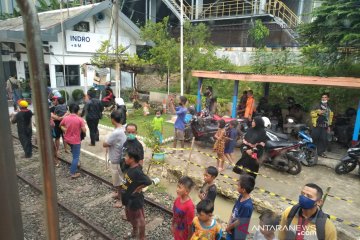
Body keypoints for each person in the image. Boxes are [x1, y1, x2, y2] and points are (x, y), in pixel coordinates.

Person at [120, 146, 152, 240]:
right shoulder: (128, 166)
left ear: (132, 159)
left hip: (135, 200)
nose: (124, 158)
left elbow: (148, 181)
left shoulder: (137, 171)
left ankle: (142, 237)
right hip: (127, 198)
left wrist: (138, 188)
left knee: (139, 219)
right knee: (130, 217)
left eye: (126, 156)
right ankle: (134, 232)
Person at [103, 110, 126, 208]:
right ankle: (118, 194)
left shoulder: (116, 132)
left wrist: (106, 140)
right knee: (120, 179)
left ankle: (121, 200)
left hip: (116, 160)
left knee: (118, 181)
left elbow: (105, 144)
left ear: (112, 119)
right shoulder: (124, 128)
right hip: (122, 158)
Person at [60, 103, 86, 179]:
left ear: (69, 110)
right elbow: (84, 130)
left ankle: (76, 164)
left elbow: (60, 125)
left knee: (73, 152)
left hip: (67, 140)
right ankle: (72, 173)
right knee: (76, 157)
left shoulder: (66, 118)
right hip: (76, 141)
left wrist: (65, 130)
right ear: (78, 111)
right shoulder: (80, 119)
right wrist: (83, 129)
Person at [226, 174, 255, 240]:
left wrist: (229, 228)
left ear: (243, 189)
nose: (237, 186)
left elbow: (239, 221)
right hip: (231, 229)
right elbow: (233, 211)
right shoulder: (241, 196)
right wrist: (229, 223)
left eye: (238, 185)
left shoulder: (247, 206)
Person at [310, 93, 334, 158]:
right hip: (317, 125)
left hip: (325, 126)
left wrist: (329, 126)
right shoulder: (317, 105)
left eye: (325, 97)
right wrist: (318, 113)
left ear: (328, 98)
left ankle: (320, 152)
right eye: (322, 97)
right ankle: (311, 152)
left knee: (323, 139)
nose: (324, 98)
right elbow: (311, 114)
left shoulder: (329, 107)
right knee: (314, 138)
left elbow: (330, 117)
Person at [172, 176, 195, 240]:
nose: (177, 189)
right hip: (177, 229)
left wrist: (189, 238)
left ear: (187, 192)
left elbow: (190, 225)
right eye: (177, 186)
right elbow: (174, 214)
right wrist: (172, 225)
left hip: (183, 234)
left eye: (179, 187)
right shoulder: (177, 200)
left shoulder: (190, 206)